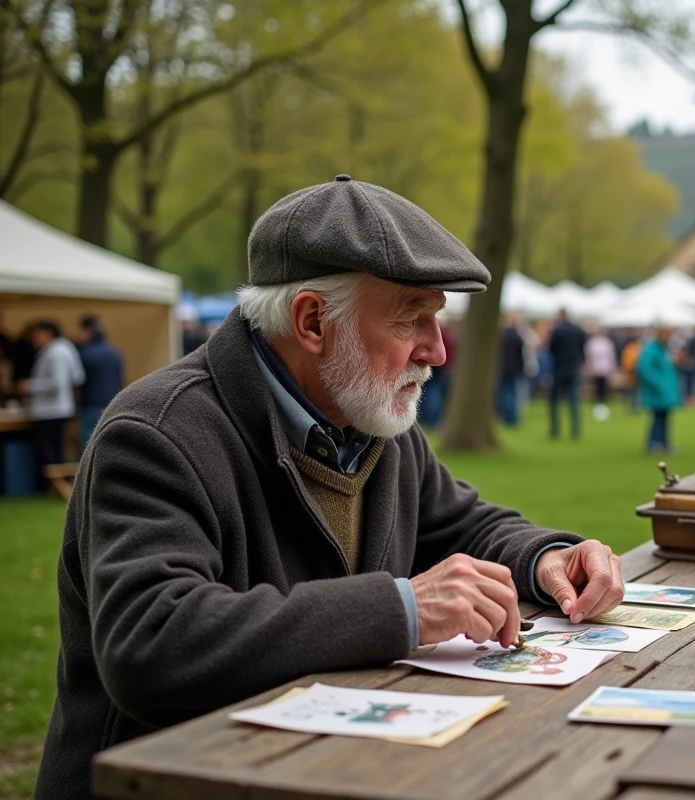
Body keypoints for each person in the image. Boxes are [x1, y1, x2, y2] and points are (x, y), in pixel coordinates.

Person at [35, 175, 624, 800]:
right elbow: (151, 641)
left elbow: (463, 524)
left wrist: (547, 558)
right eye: (411, 318)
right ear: (313, 320)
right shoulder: (157, 433)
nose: (437, 351)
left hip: (316, 772)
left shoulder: (372, 422)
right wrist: (401, 609)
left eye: (437, 318)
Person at [20, 320, 84, 492]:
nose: (34, 339)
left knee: (48, 452)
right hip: (60, 407)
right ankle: (57, 487)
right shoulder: (66, 348)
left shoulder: (55, 351)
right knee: (56, 450)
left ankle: (51, 488)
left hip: (50, 409)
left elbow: (56, 383)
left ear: (47, 333)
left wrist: (29, 385)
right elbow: (78, 377)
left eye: (36, 335)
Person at [75, 315, 125, 449]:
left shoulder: (84, 354)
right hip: (112, 404)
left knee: (88, 447)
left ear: (88, 331)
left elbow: (77, 383)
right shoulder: (115, 353)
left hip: (90, 405)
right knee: (109, 446)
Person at [636, 326, 681, 453]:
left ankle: (664, 442)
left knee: (665, 417)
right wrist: (658, 384)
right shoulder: (651, 350)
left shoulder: (663, 349)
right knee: (657, 418)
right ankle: (654, 443)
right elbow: (644, 370)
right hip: (657, 391)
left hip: (665, 390)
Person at [547, 309, 586, 439]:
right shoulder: (577, 330)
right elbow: (582, 346)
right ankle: (575, 429)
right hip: (573, 365)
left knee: (554, 399)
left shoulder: (557, 330)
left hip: (559, 366)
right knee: (573, 398)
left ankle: (554, 429)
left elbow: (551, 348)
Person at [496, 314, 527, 427]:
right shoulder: (517, 337)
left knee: (503, 393)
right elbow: (521, 355)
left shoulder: (501, 336)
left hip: (502, 368)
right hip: (514, 369)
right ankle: (511, 418)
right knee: (512, 393)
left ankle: (505, 416)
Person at [584, 324, 617, 422]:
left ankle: (602, 402)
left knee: (603, 386)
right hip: (597, 367)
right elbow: (589, 355)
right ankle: (598, 403)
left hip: (604, 367)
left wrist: (611, 366)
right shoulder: (592, 343)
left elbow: (611, 355)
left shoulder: (607, 342)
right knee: (597, 386)